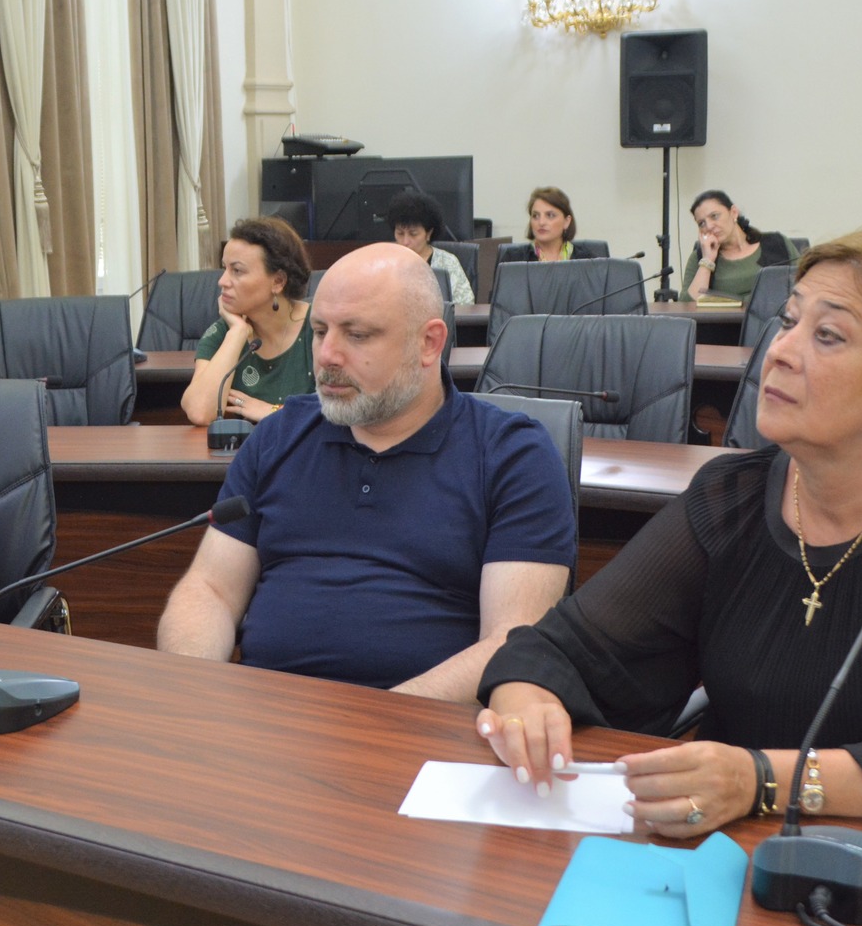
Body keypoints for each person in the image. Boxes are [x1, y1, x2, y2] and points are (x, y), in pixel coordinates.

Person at [477, 227, 862, 831]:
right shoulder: (731, 496)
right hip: (725, 845)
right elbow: (556, 648)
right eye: (789, 320)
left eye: (828, 335)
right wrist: (526, 696)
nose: (778, 351)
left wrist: (763, 780)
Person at [159, 243, 575, 699]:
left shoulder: (512, 455)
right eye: (319, 331)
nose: (327, 355)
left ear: (429, 343)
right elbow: (210, 590)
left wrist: (371, 723)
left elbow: (510, 644)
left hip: (422, 727)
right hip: (268, 717)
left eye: (357, 335)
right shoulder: (279, 436)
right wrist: (195, 695)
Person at [181, 217, 317, 426]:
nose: (222, 281)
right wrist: (237, 332)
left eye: (237, 271)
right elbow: (200, 412)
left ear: (278, 281)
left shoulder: (321, 327)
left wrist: (274, 411)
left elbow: (348, 409)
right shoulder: (223, 332)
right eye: (224, 268)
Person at [679, 189, 794, 301]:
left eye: (714, 216)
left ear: (733, 212)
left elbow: (803, 286)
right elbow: (686, 306)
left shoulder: (777, 244)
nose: (709, 226)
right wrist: (707, 261)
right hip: (724, 315)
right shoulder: (700, 258)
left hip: (775, 314)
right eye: (701, 223)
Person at [387, 189, 473, 306]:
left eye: (413, 234)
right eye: (400, 233)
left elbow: (465, 304)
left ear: (428, 233)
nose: (405, 241)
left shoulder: (447, 262)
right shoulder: (385, 262)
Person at [496, 187, 583, 265]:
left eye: (550, 215)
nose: (541, 222)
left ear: (566, 222)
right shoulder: (513, 258)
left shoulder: (585, 258)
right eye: (535, 216)